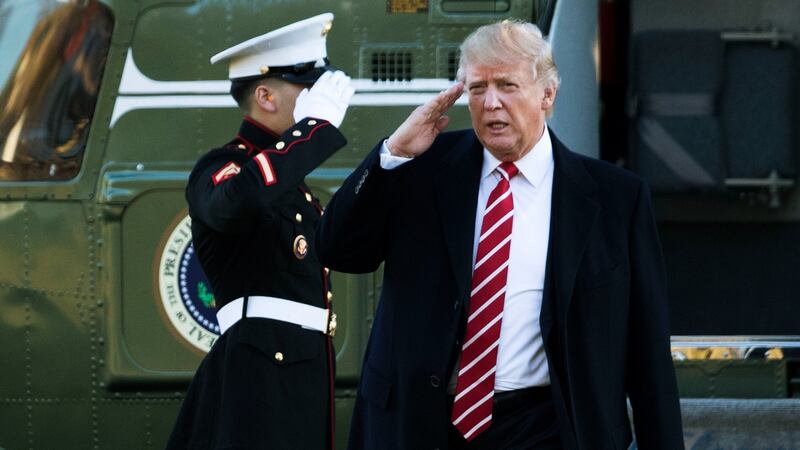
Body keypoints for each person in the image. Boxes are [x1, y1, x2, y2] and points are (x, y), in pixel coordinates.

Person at [316, 20, 684, 449]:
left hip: (546, 427)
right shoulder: (422, 169)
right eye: (477, 88)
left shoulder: (616, 199)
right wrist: (392, 153)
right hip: (424, 424)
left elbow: (648, 355)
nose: (491, 103)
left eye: (507, 86)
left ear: (547, 95)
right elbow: (337, 249)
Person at [167, 13, 353, 450]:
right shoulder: (223, 166)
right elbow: (236, 202)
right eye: (309, 90)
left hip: (299, 370)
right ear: (265, 95)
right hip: (259, 378)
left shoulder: (290, 184)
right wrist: (315, 130)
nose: (318, 103)